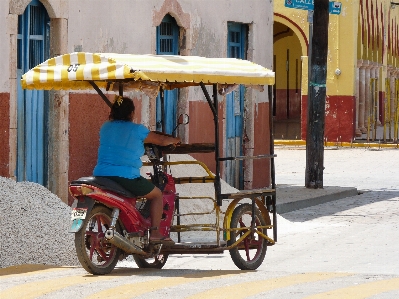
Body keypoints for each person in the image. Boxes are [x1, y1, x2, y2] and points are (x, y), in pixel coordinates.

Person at [93, 95, 180, 245]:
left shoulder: (105, 127)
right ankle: (154, 232)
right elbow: (161, 140)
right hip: (126, 177)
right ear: (131, 113)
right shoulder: (138, 130)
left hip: (101, 175)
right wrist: (176, 140)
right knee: (157, 194)